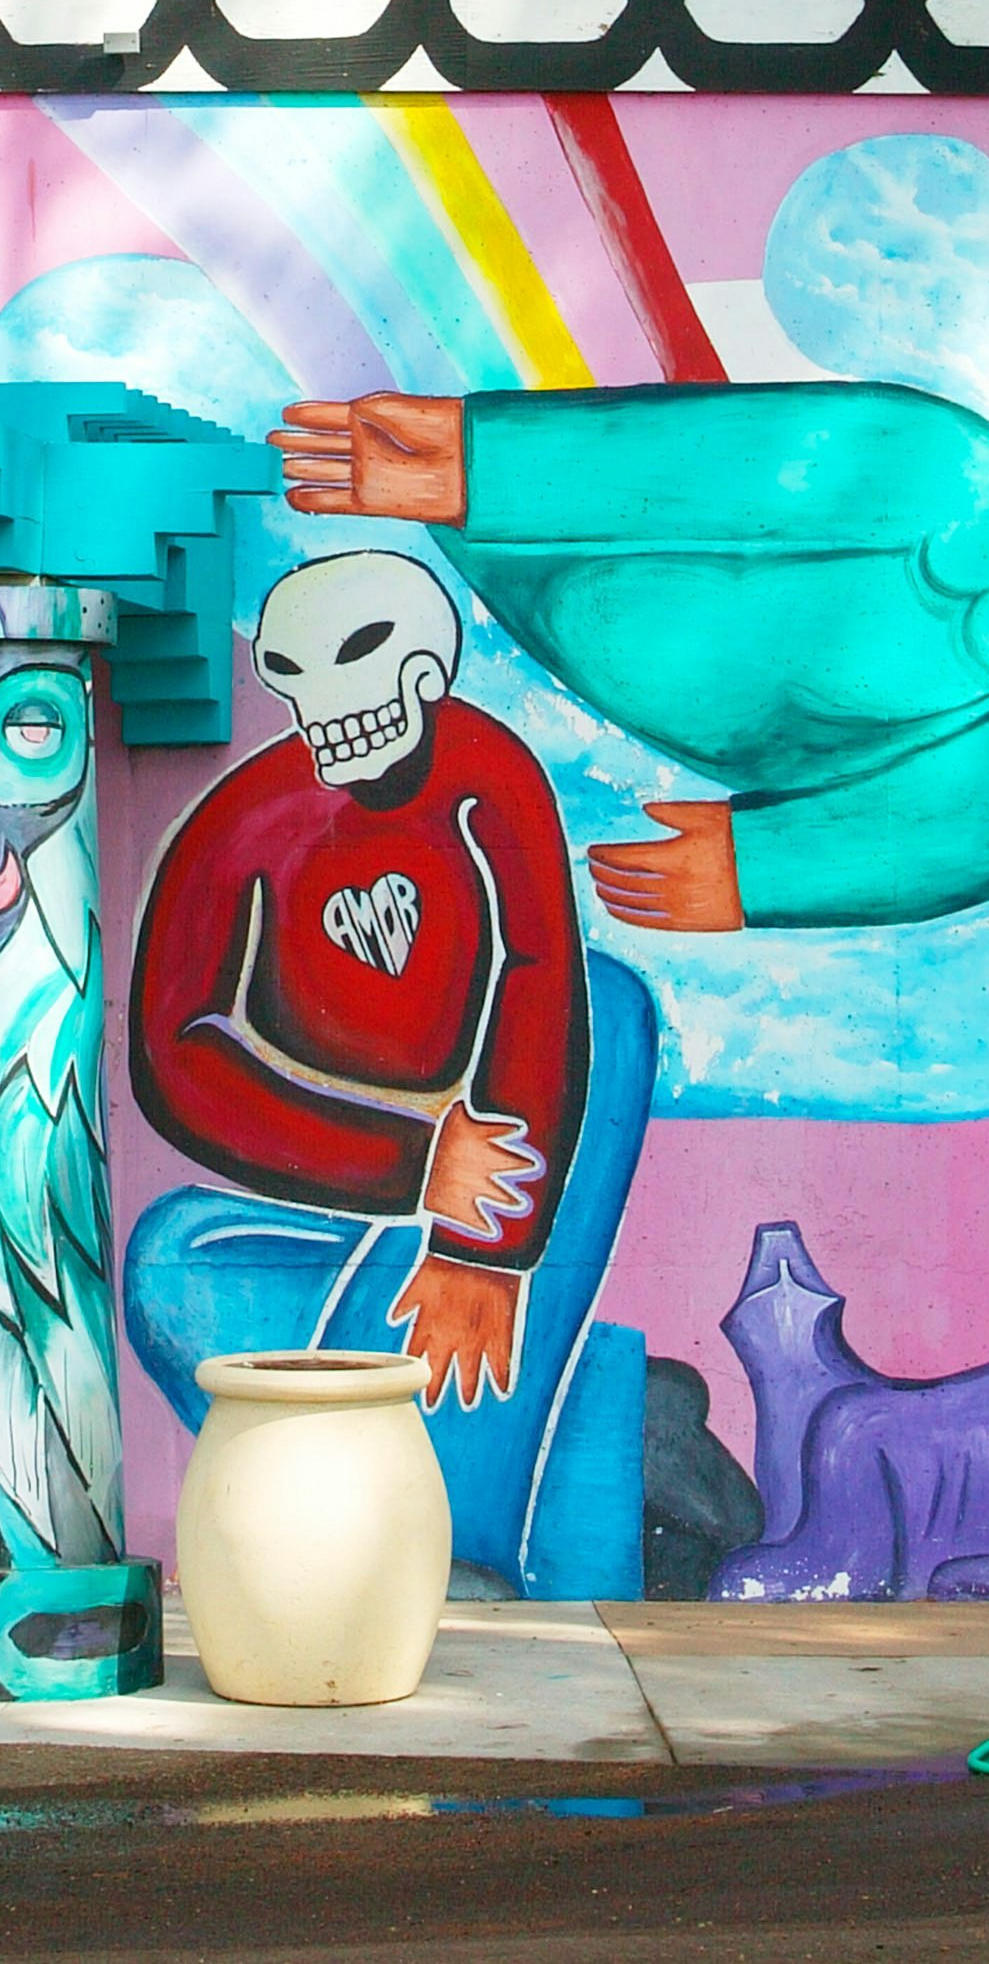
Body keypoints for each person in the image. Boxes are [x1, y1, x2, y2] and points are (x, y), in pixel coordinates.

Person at [273, 272, 989, 935]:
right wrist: (481, 463)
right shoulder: (979, 472)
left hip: (655, 661)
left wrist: (764, 868)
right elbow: (759, 453)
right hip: (558, 579)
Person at [118, 550, 655, 1596]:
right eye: (289, 671)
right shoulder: (243, 827)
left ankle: (449, 1540)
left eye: (358, 656)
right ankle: (551, 1416)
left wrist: (486, 1249)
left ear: (427, 670)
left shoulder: (488, 775)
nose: (321, 705)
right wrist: (412, 1165)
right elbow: (173, 1059)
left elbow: (541, 974)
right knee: (167, 1257)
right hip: (347, 1203)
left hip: (489, 1188)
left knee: (615, 1012)